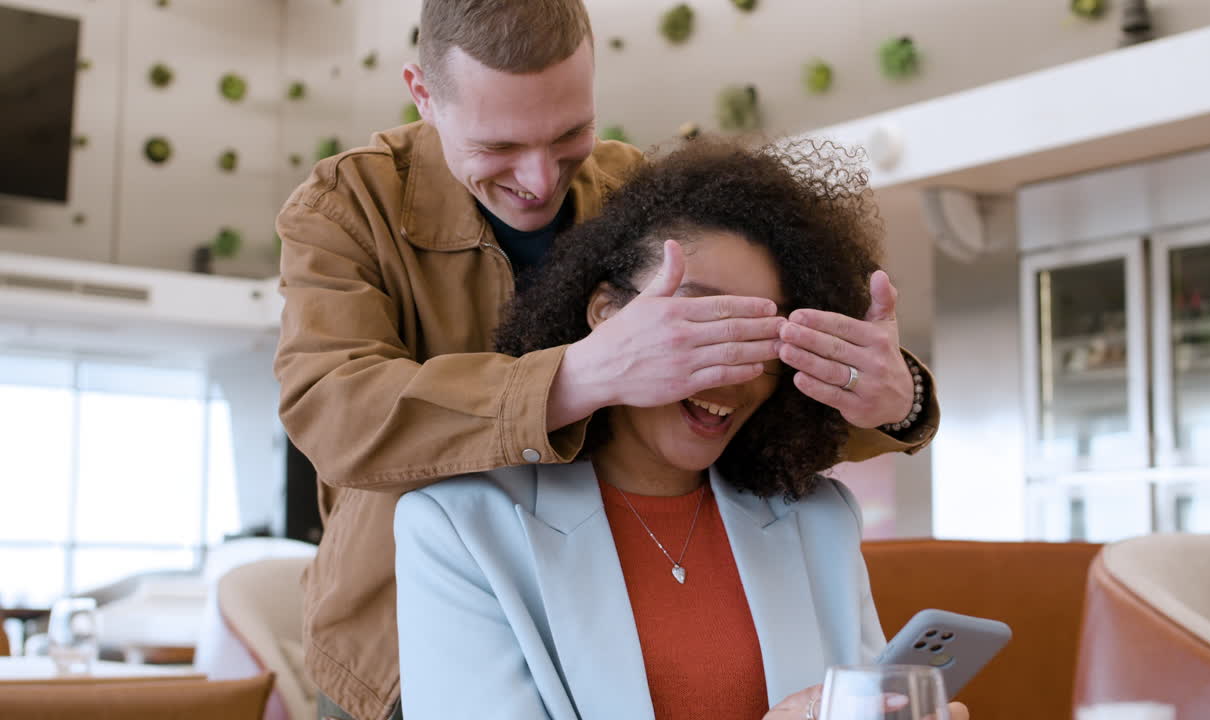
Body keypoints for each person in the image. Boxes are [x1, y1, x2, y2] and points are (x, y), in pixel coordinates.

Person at [274, 2, 939, 718]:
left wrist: (897, 400)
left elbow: (755, 392)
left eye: (569, 135)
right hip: (392, 649)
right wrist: (584, 376)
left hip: (598, 600)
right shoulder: (347, 207)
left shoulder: (633, 188)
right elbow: (334, 416)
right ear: (422, 93)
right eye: (498, 146)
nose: (538, 179)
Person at [394, 139, 965, 720]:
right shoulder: (461, 531)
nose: (730, 369)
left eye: (762, 338)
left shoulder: (819, 521)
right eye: (700, 322)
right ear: (607, 315)